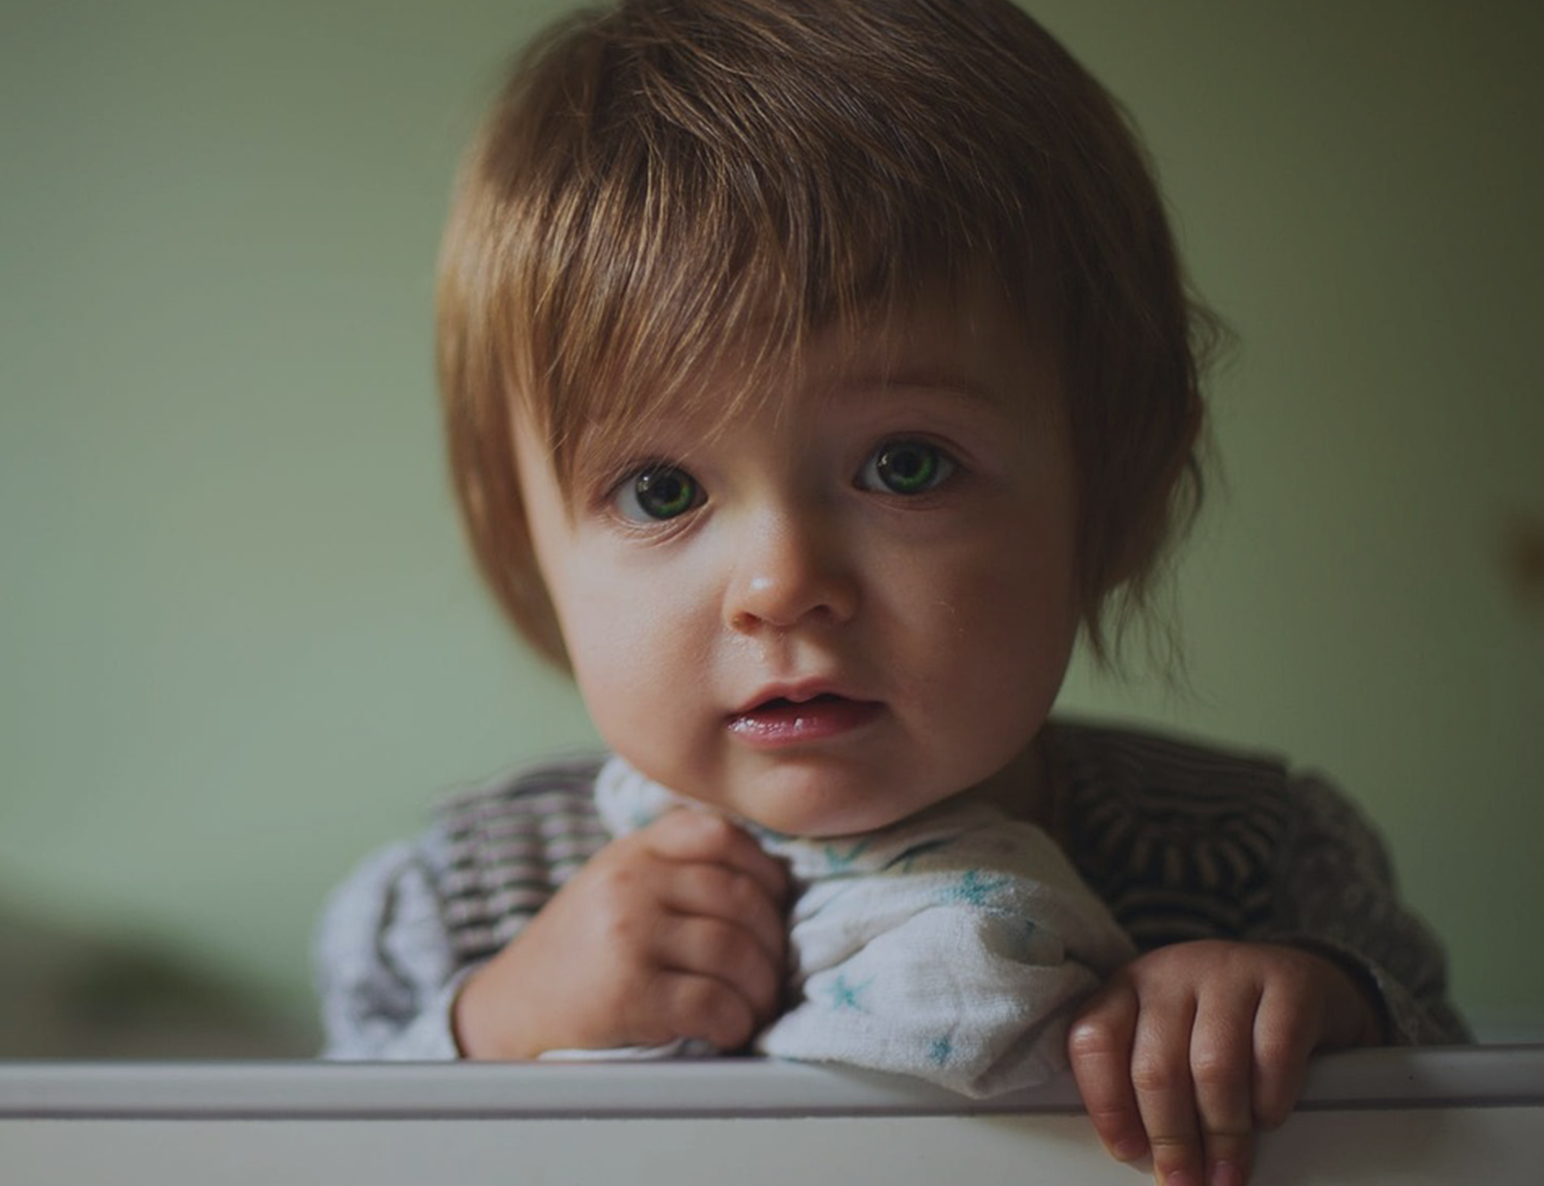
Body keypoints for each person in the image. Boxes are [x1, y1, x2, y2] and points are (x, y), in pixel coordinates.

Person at [316, 0, 1468, 1183]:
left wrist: (1322, 1027)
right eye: (660, 489)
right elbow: (306, 1148)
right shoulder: (461, 899)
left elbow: (1471, 1125)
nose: (781, 587)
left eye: (904, 465)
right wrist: (490, 1032)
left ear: (1113, 488)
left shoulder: (1253, 862)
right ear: (523, 535)